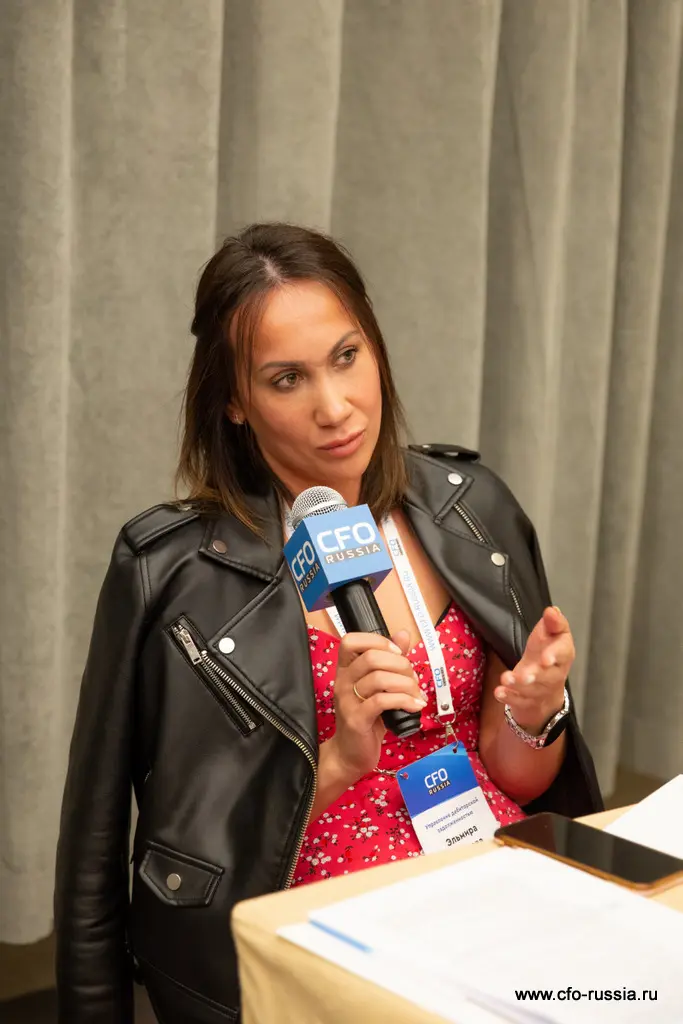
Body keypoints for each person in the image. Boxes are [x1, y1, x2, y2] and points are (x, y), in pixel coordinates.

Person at [55, 222, 602, 1024]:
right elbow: (111, 849)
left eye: (346, 357)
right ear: (234, 402)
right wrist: (337, 761)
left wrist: (533, 711)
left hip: (488, 884)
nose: (335, 407)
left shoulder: (472, 508)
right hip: (317, 918)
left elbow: (514, 776)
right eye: (287, 379)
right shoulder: (173, 573)